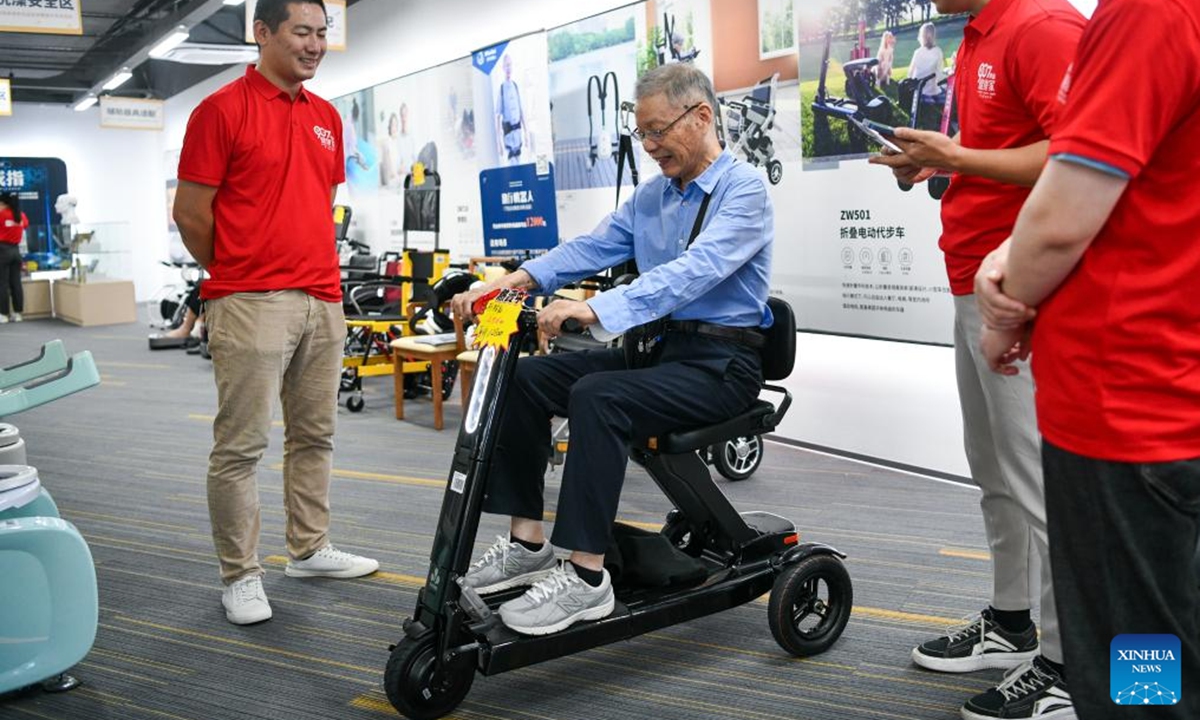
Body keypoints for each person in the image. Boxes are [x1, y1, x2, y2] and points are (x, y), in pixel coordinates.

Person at [450, 62, 772, 637]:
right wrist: (512, 282)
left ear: (701, 117)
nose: (649, 146)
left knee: (598, 395)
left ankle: (587, 578)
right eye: (642, 133)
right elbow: (591, 246)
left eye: (658, 131)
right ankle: (527, 544)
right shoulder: (652, 198)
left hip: (720, 366)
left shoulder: (743, 192)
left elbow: (692, 273)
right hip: (658, 353)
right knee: (526, 382)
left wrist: (596, 309)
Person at [975, 1, 1200, 717]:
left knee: (1138, 658)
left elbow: (1066, 217)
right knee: (1165, 627)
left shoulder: (1151, 12)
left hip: (1129, 407)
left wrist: (1003, 303)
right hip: (1167, 386)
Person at [868, 1, 1084, 719]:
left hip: (1024, 291)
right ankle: (1014, 621)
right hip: (976, 282)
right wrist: (933, 165)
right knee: (996, 473)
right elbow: (1009, 151)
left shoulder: (1042, 27)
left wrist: (955, 156)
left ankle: (1068, 664)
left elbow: (1078, 153)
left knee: (1044, 483)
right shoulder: (980, 34)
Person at [173, 0, 378, 627]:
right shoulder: (219, 112)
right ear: (262, 33)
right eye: (302, 32)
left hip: (322, 297)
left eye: (323, 34)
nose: (315, 45)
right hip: (249, 301)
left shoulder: (326, 117)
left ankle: (309, 549)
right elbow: (190, 213)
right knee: (241, 447)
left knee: (315, 435)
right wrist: (234, 273)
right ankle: (239, 575)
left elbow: (319, 204)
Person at [0, 192, 28, 324]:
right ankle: (17, 314)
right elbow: (25, 225)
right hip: (16, 251)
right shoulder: (21, 215)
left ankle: (3, 314)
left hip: (2, 251)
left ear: (4, 203)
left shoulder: (2, 214)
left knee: (2, 283)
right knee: (16, 283)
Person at [495, 53, 527, 164]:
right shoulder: (502, 89)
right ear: (503, 68)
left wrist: (526, 133)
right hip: (508, 139)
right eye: (506, 65)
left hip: (518, 137)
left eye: (510, 65)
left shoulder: (515, 86)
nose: (509, 68)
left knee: (520, 166)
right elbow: (498, 116)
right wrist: (498, 142)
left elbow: (521, 111)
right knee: (513, 168)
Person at [907, 22, 946, 98]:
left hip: (918, 89)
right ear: (933, 35)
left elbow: (910, 74)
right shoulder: (938, 51)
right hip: (931, 91)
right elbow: (940, 75)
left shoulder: (917, 52)